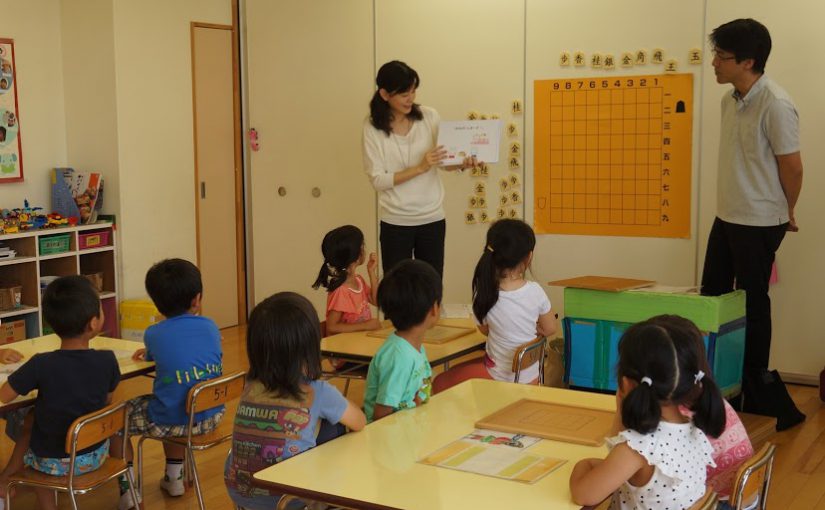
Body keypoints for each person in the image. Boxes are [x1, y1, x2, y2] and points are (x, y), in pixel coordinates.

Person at [702, 18, 805, 429]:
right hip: (727, 215)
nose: (714, 63)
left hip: (760, 220)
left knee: (752, 302)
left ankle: (755, 384)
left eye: (722, 57)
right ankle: (719, 382)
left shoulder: (776, 103)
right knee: (713, 296)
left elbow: (793, 167)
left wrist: (788, 211)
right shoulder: (730, 100)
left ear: (748, 61)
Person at [224, 292, 366, 510]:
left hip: (240, 493)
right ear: (309, 346)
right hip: (289, 501)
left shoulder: (250, 387)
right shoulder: (316, 391)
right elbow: (359, 422)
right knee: (334, 426)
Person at [569, 315, 726, 509]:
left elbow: (584, 495)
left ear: (626, 383)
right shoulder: (693, 429)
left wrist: (582, 465)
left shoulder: (637, 449)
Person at [0, 276, 121, 510]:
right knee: (36, 419)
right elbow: (106, 401)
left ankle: (43, 503)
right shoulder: (108, 360)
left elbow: (5, 396)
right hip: (96, 455)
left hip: (50, 462)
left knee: (32, 427)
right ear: (93, 323)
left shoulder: (40, 364)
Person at [114, 258, 223, 510]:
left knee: (117, 420)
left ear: (156, 303)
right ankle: (174, 478)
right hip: (211, 415)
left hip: (174, 419)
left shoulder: (154, 333)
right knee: (174, 401)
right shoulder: (210, 327)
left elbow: (158, 355)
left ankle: (128, 491)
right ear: (197, 299)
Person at [362, 60, 474, 277]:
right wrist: (420, 167)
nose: (411, 98)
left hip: (432, 218)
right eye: (404, 94)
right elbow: (377, 180)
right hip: (395, 221)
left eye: (413, 91)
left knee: (431, 286)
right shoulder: (372, 126)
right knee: (398, 291)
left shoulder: (429, 116)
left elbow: (443, 160)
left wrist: (462, 163)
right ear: (385, 95)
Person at [431, 219, 556, 392]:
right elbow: (550, 328)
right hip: (532, 379)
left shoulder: (484, 293)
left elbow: (485, 331)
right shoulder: (535, 291)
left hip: (499, 379)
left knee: (440, 381)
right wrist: (536, 331)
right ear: (529, 257)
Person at [646, 315, 754, 507]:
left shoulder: (678, 418)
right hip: (745, 497)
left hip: (720, 503)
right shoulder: (706, 396)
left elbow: (646, 473)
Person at [363, 259, 441, 422]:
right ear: (434, 309)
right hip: (391, 437)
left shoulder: (413, 347)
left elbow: (423, 389)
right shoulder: (398, 357)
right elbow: (381, 415)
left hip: (412, 426)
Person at [312, 225, 380, 335]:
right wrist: (365, 325)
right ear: (357, 256)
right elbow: (332, 327)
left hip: (359, 344)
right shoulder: (341, 291)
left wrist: (372, 272)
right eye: (362, 245)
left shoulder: (359, 281)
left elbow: (376, 301)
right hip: (345, 347)